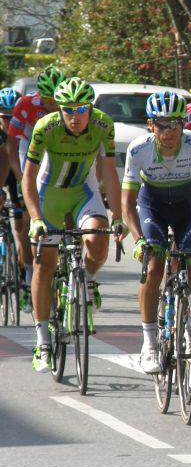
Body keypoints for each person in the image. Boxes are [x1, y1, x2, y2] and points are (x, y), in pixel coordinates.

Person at [23, 77, 122, 371]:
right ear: (60, 109)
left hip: (83, 193)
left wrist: (117, 215)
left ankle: (87, 280)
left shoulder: (103, 125)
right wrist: (36, 219)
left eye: (81, 109)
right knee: (45, 265)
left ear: (90, 109)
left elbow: (109, 173)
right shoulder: (46, 128)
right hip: (49, 196)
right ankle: (42, 341)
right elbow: (28, 177)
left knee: (98, 239)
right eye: (68, 110)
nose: (75, 116)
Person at [122, 91, 191, 374]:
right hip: (153, 207)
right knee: (154, 268)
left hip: (188, 208)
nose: (169, 131)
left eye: (175, 123)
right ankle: (150, 343)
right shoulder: (138, 150)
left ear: (183, 124)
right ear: (150, 125)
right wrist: (138, 240)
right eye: (162, 125)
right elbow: (127, 205)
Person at [0, 87, 29, 308]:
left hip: (16, 176)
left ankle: (22, 272)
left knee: (21, 227)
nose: (8, 121)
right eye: (4, 116)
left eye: (12, 116)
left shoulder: (23, 131)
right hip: (1, 173)